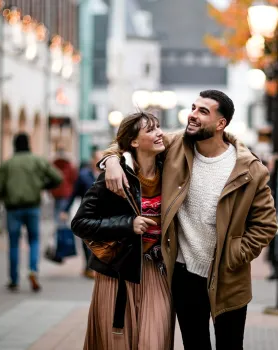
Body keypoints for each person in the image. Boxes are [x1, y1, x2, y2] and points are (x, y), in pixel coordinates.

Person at [101, 90, 278, 350]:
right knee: (195, 345)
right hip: (185, 274)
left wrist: (234, 254)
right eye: (193, 108)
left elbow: (266, 225)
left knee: (231, 346)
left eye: (203, 111)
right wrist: (111, 161)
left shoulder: (250, 169)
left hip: (229, 275)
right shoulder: (174, 147)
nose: (192, 115)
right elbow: (128, 140)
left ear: (221, 123)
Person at [71, 112, 173, 350]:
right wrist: (128, 224)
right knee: (118, 344)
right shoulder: (114, 178)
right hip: (119, 274)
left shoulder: (171, 170)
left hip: (158, 271)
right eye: (150, 129)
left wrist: (110, 159)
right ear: (134, 142)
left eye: (159, 127)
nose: (159, 133)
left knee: (154, 341)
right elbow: (80, 223)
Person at [0, 133, 62, 292]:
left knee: (13, 243)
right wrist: (41, 185)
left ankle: (13, 279)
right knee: (34, 240)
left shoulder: (8, 164)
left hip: (13, 209)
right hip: (32, 206)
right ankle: (32, 270)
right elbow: (57, 177)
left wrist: (5, 197)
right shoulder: (37, 161)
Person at [59, 149, 104, 278]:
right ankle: (89, 267)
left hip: (103, 213)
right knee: (87, 241)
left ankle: (92, 266)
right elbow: (73, 194)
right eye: (98, 158)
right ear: (93, 160)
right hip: (87, 213)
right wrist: (65, 210)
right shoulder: (84, 175)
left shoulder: (109, 174)